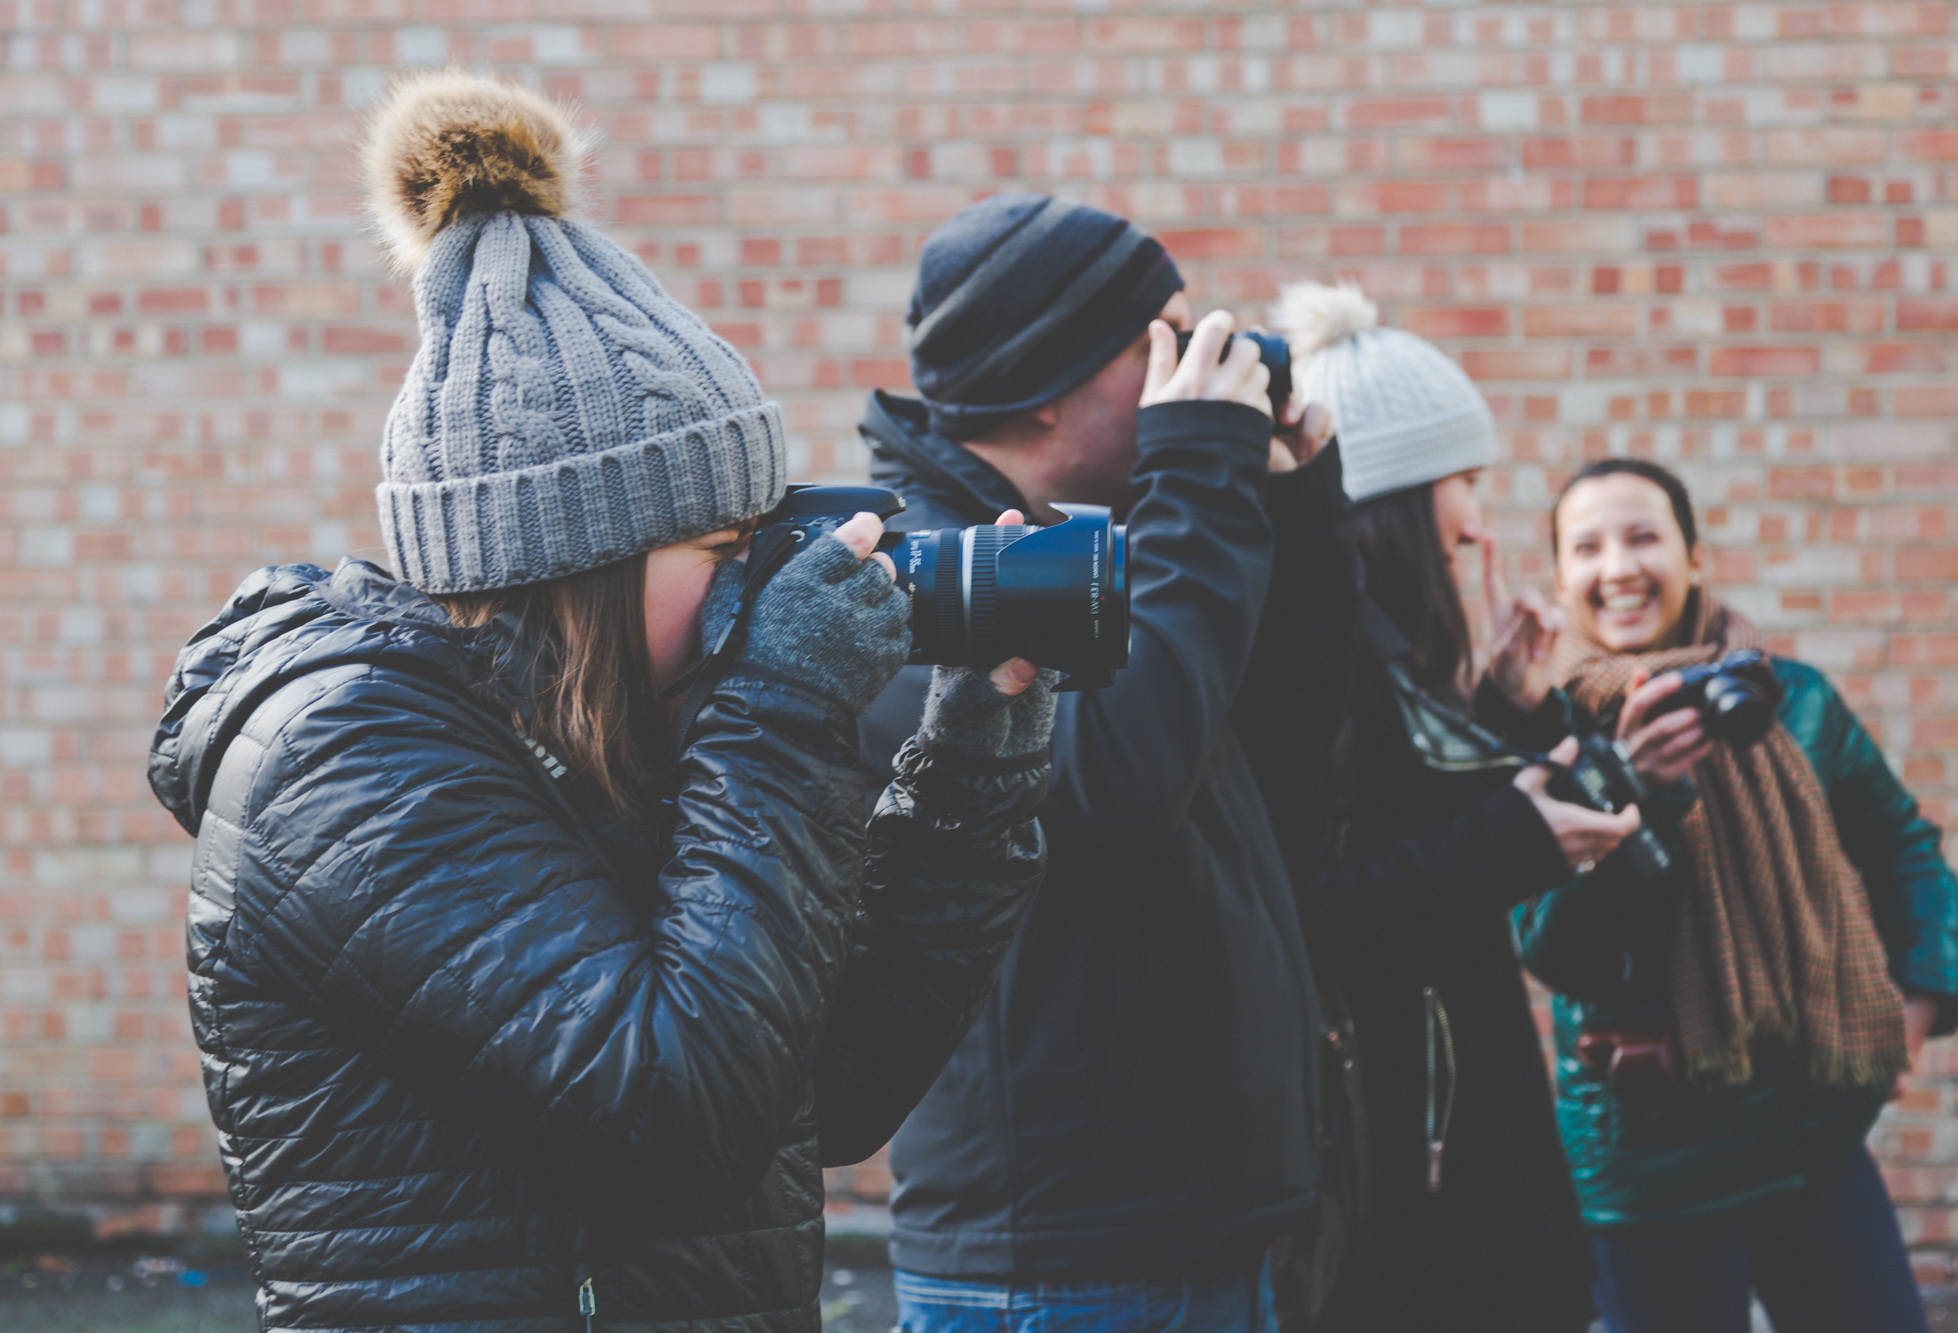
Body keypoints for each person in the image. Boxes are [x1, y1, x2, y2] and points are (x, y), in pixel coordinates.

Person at [146, 74, 1062, 1333]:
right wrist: (783, 709)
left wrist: (968, 761)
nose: (755, 583)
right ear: (572, 566)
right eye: (721, 546)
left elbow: (816, 1093)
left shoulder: (619, 734)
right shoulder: (347, 760)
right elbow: (676, 1117)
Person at [854, 194, 1353, 1332]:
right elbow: (1115, 779)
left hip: (1192, 1229)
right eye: (1159, 342)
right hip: (1060, 1257)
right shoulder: (911, 579)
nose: (1193, 365)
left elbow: (1294, 758)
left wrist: (1291, 508)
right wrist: (1198, 482)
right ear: (1043, 380)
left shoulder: (1121, 533)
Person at [1504, 457, 1958, 1333]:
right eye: (1588, 547)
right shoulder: (1541, 729)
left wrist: (1920, 999)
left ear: (1696, 555)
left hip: (1812, 1131)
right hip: (1645, 1156)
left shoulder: (1792, 703)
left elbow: (1907, 850)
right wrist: (1636, 786)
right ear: (1561, 578)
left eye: (1644, 536)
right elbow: (1557, 950)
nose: (1619, 566)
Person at [1264, 283, 1635, 1332]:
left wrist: (1503, 708)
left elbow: (1408, 819)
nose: (1477, 522)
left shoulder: (1383, 656)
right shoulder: (1322, 660)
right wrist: (1518, 835)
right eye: (1462, 482)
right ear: (1392, 497)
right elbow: (1316, 903)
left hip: (1442, 1115)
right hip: (1401, 1145)